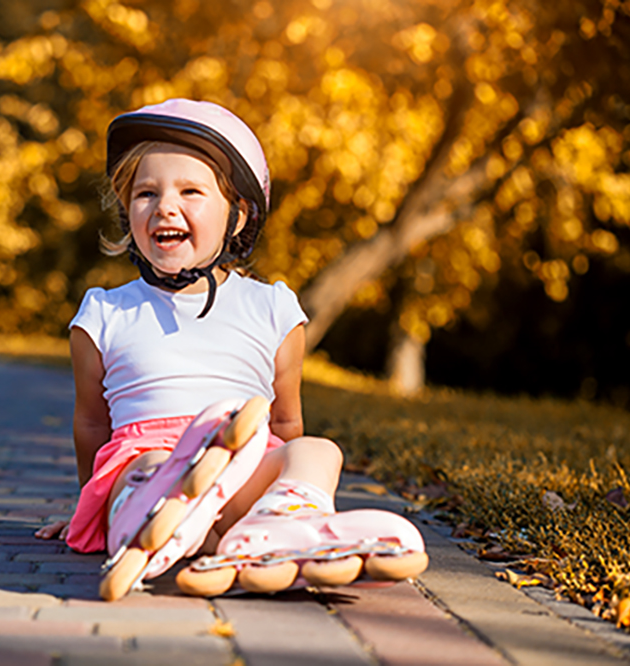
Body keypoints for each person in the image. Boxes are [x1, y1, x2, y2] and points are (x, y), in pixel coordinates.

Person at [36, 99, 426, 599]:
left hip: (244, 460)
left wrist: (276, 474)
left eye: (190, 191)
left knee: (317, 450)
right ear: (126, 208)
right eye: (145, 193)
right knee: (149, 470)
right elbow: (92, 425)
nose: (164, 207)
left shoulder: (273, 308)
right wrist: (86, 505)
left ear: (238, 217)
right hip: (146, 458)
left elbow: (285, 424)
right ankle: (167, 519)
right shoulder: (104, 313)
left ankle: (280, 523)